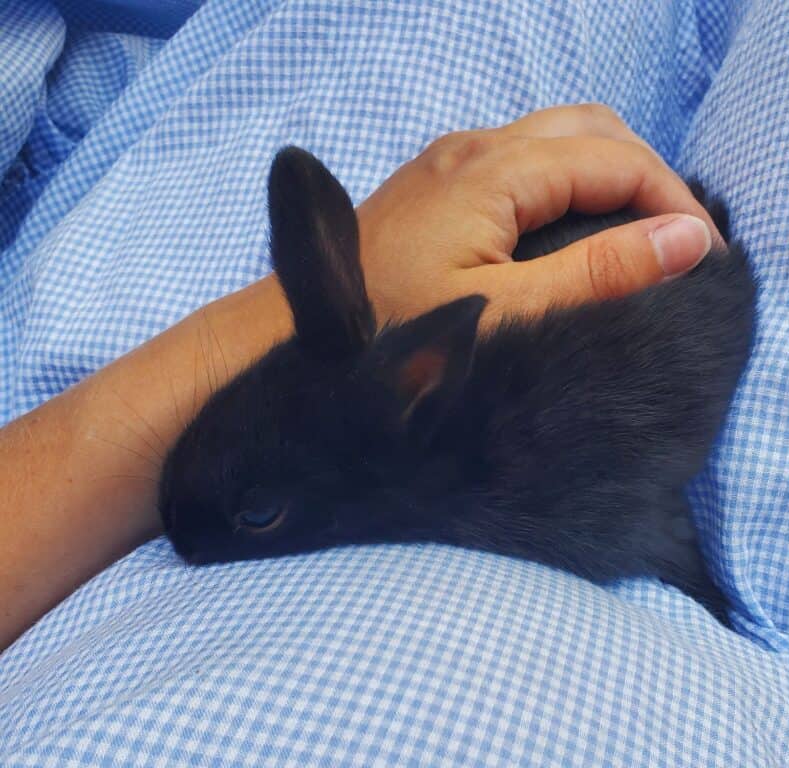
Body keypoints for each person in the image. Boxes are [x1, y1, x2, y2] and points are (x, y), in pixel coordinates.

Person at [0, 105, 719, 653]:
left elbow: (655, 535)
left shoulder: (538, 501)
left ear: (421, 381)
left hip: (680, 267)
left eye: (259, 513)